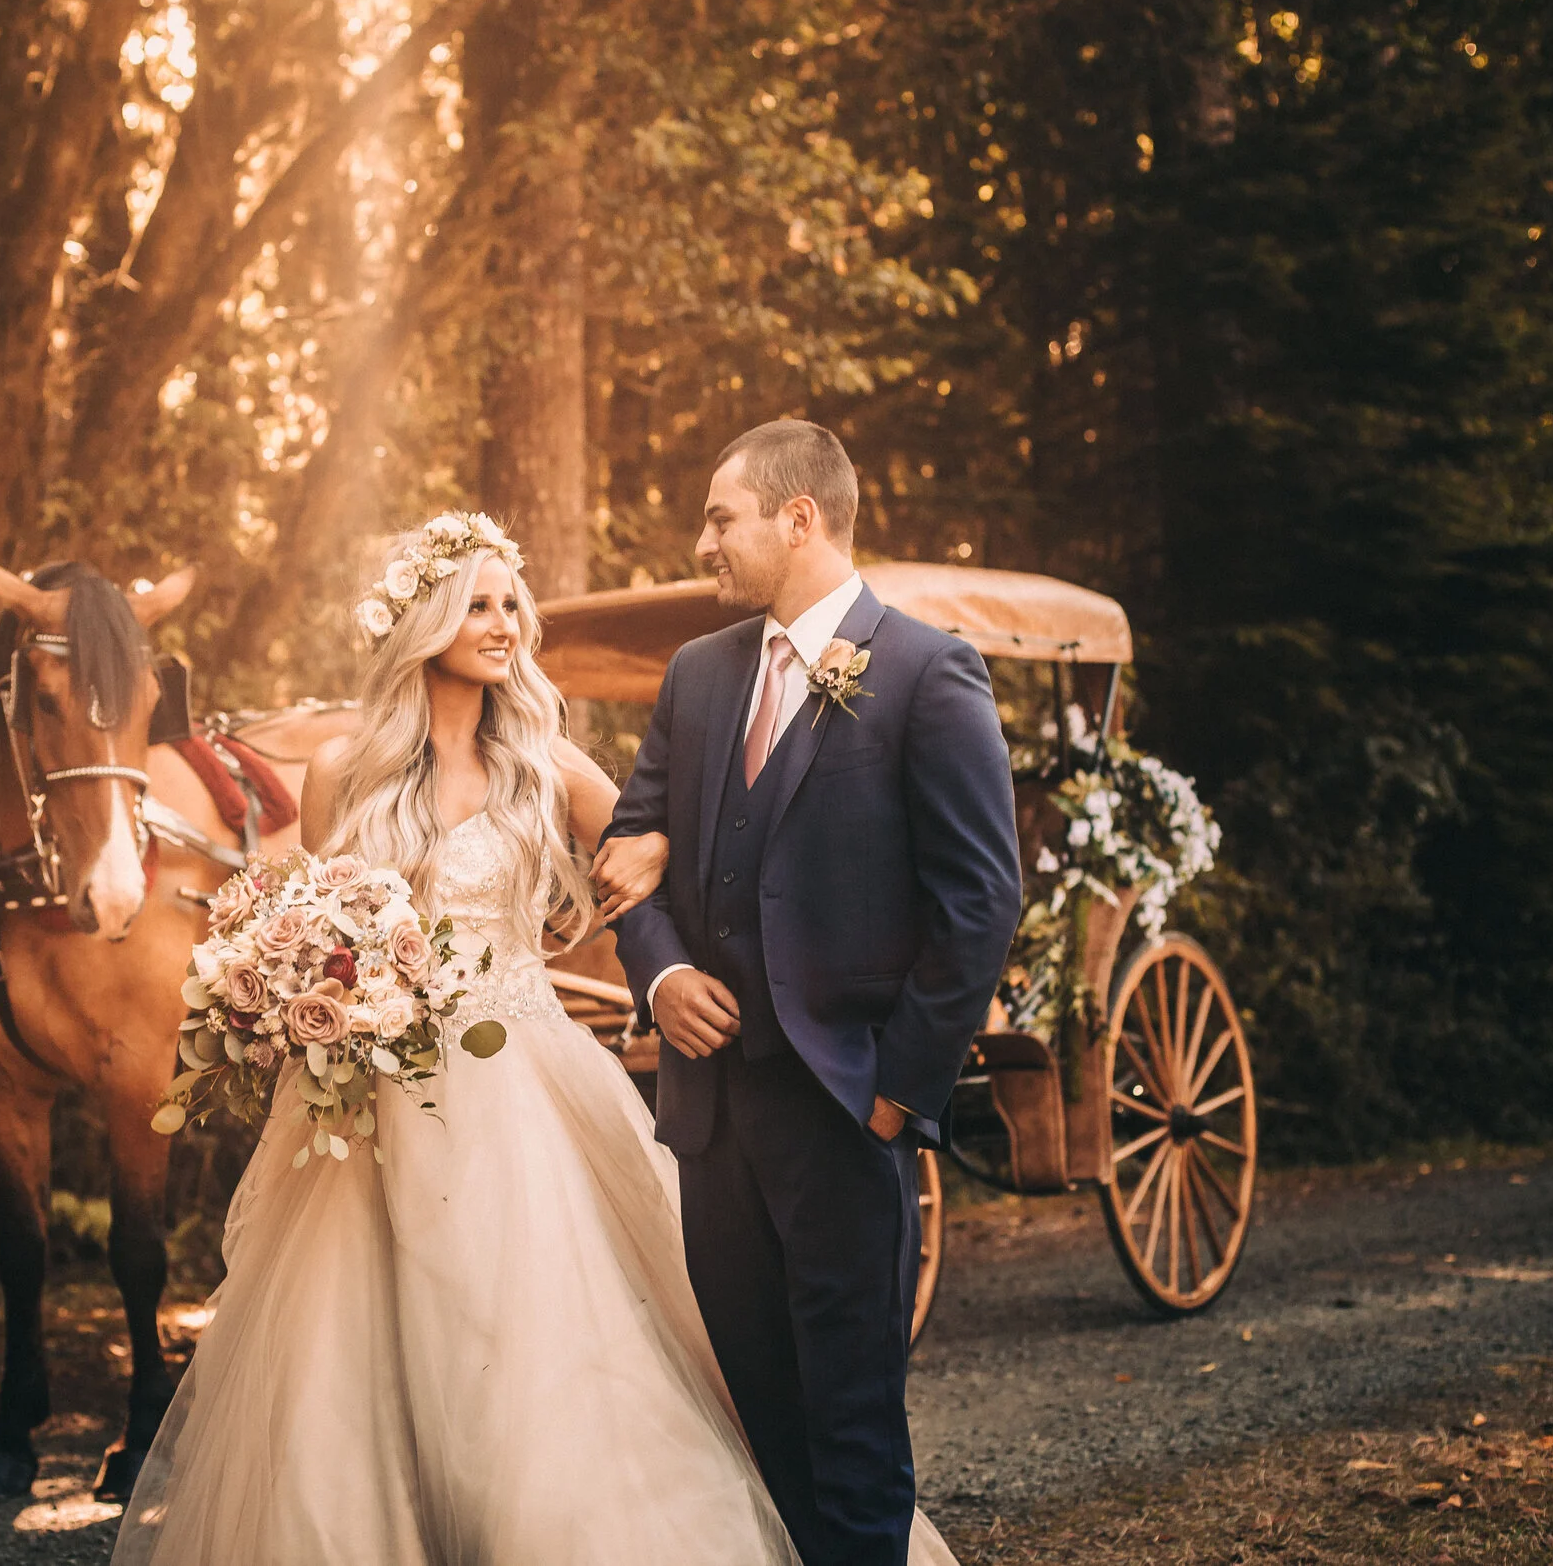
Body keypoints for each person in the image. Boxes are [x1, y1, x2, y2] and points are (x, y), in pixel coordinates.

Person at [120, 511, 948, 1565]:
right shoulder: (341, 771)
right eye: (478, 602)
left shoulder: (546, 765)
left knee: (527, 1317)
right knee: (353, 1337)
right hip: (369, 1085)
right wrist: (287, 976)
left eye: (513, 602)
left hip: (521, 1074)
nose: (506, 621)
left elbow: (673, 862)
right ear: (423, 621)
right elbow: (319, 920)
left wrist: (676, 942)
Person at [600, 420, 1022, 1566]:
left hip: (847, 1110)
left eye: (718, 517)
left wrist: (898, 1093)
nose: (702, 544)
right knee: (758, 1411)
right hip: (710, 1116)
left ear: (799, 518)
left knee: (850, 1421)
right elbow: (630, 849)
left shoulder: (929, 672)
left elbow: (980, 900)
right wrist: (665, 968)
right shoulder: (697, 674)